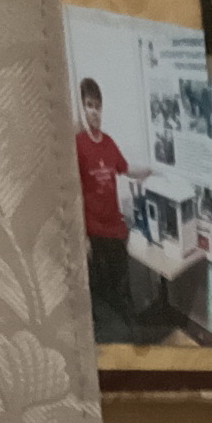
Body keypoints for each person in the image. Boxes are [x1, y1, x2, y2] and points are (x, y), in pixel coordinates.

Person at [73, 79, 137, 340]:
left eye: (98, 106)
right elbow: (74, 192)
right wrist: (83, 237)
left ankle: (130, 337)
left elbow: (126, 169)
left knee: (123, 293)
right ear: (82, 108)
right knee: (103, 297)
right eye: (89, 105)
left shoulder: (109, 143)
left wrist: (152, 173)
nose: (94, 112)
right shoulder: (78, 145)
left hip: (116, 230)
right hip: (95, 233)